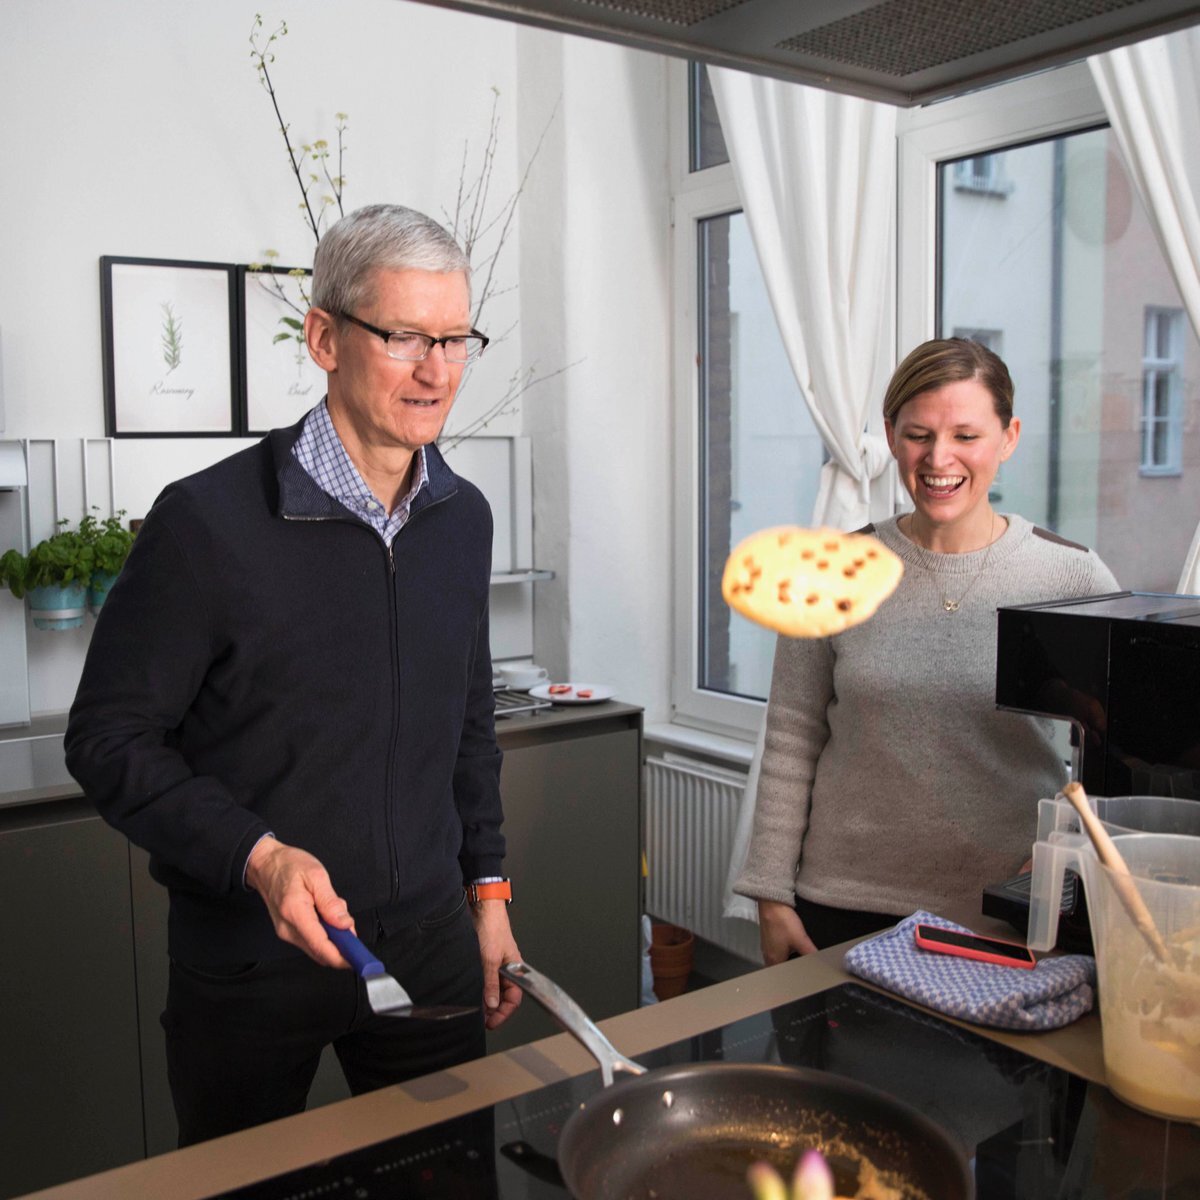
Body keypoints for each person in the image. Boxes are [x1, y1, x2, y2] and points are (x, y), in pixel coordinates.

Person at [65, 203, 522, 1145]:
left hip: (430, 945)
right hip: (246, 958)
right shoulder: (205, 525)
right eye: (403, 337)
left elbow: (467, 718)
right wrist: (259, 857)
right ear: (325, 337)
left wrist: (488, 890)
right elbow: (107, 740)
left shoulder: (462, 518)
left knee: (445, 1179)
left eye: (455, 338)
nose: (438, 371)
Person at [733, 337, 1120, 964]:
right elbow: (791, 736)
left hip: (1005, 911)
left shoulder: (1072, 580)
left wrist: (1064, 852)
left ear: (1009, 436)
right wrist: (771, 896)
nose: (940, 458)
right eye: (919, 435)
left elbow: (1114, 753)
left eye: (966, 435)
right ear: (890, 436)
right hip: (837, 904)